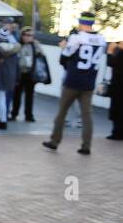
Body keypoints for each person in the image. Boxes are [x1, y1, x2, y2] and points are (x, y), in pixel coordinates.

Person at [44, 11, 107, 155]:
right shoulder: (101, 39)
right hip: (89, 82)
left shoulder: (76, 38)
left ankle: (55, 141)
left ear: (81, 22)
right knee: (87, 115)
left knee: (62, 112)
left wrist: (63, 47)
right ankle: (86, 146)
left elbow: (64, 58)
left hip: (73, 81)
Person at [9, 26, 48, 122]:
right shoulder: (18, 44)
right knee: (17, 95)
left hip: (31, 73)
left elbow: (42, 56)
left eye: (30, 35)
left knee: (29, 95)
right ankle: (14, 113)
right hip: (19, 73)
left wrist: (37, 46)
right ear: (22, 35)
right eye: (25, 35)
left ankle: (29, 115)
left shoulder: (35, 45)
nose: (27, 37)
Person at [107, 41, 123, 141]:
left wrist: (110, 51)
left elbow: (111, 63)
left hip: (119, 86)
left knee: (117, 109)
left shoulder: (121, 53)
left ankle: (117, 133)